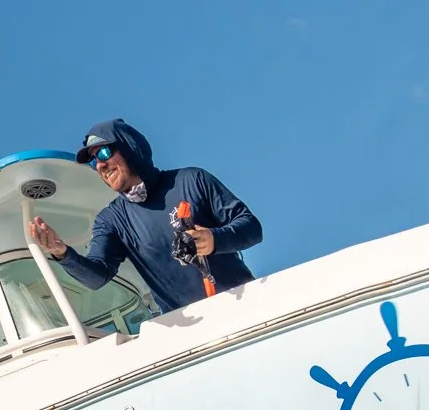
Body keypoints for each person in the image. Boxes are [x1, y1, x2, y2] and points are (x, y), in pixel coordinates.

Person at [29, 118, 262, 315]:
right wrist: (63, 254)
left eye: (103, 152)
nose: (100, 165)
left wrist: (213, 240)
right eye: (93, 160)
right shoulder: (111, 221)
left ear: (130, 147)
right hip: (188, 333)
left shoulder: (192, 180)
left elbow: (251, 228)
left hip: (244, 307)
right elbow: (96, 277)